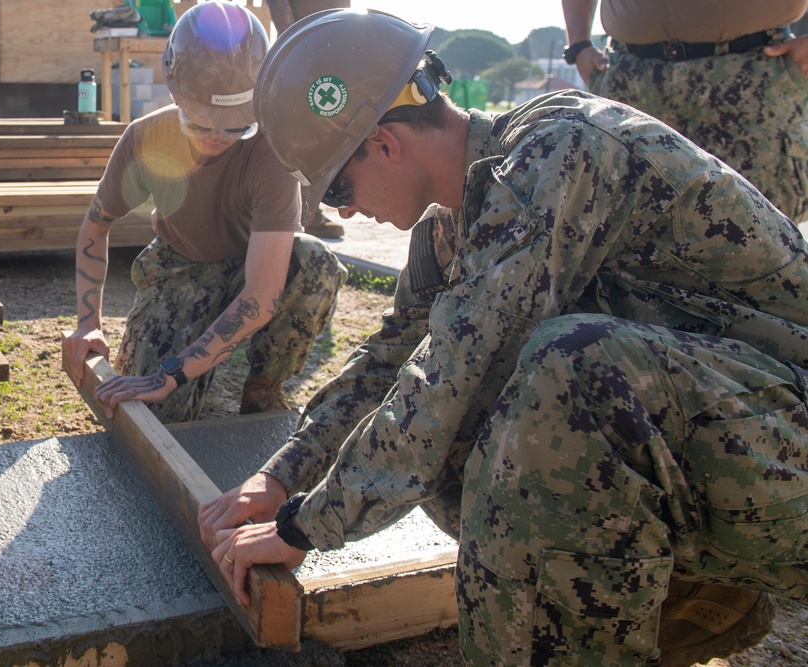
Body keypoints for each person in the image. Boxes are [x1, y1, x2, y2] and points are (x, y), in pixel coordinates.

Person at [198, 8, 808, 666]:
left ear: (384, 142)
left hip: (786, 440)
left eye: (338, 186)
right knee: (458, 445)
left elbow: (450, 374)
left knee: (565, 374)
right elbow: (383, 368)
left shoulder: (557, 147)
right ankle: (687, 606)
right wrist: (281, 479)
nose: (344, 210)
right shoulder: (451, 226)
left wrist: (306, 526)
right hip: (723, 450)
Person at [63, 0, 346, 424]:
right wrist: (88, 322)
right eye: (199, 122)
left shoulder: (273, 151)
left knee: (314, 261)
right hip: (180, 266)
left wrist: (173, 373)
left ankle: (262, 390)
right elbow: (96, 226)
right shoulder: (145, 138)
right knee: (152, 416)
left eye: (235, 126)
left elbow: (261, 294)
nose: (216, 136)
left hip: (253, 265)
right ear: (175, 93)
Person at [562, 0, 808, 223]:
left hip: (754, 75)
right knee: (623, 239)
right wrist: (579, 44)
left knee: (763, 235)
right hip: (632, 79)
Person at [263, 0, 350, 239]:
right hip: (306, 54)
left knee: (325, 135)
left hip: (333, 51)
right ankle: (304, 212)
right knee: (305, 135)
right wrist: (297, 45)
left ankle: (311, 208)